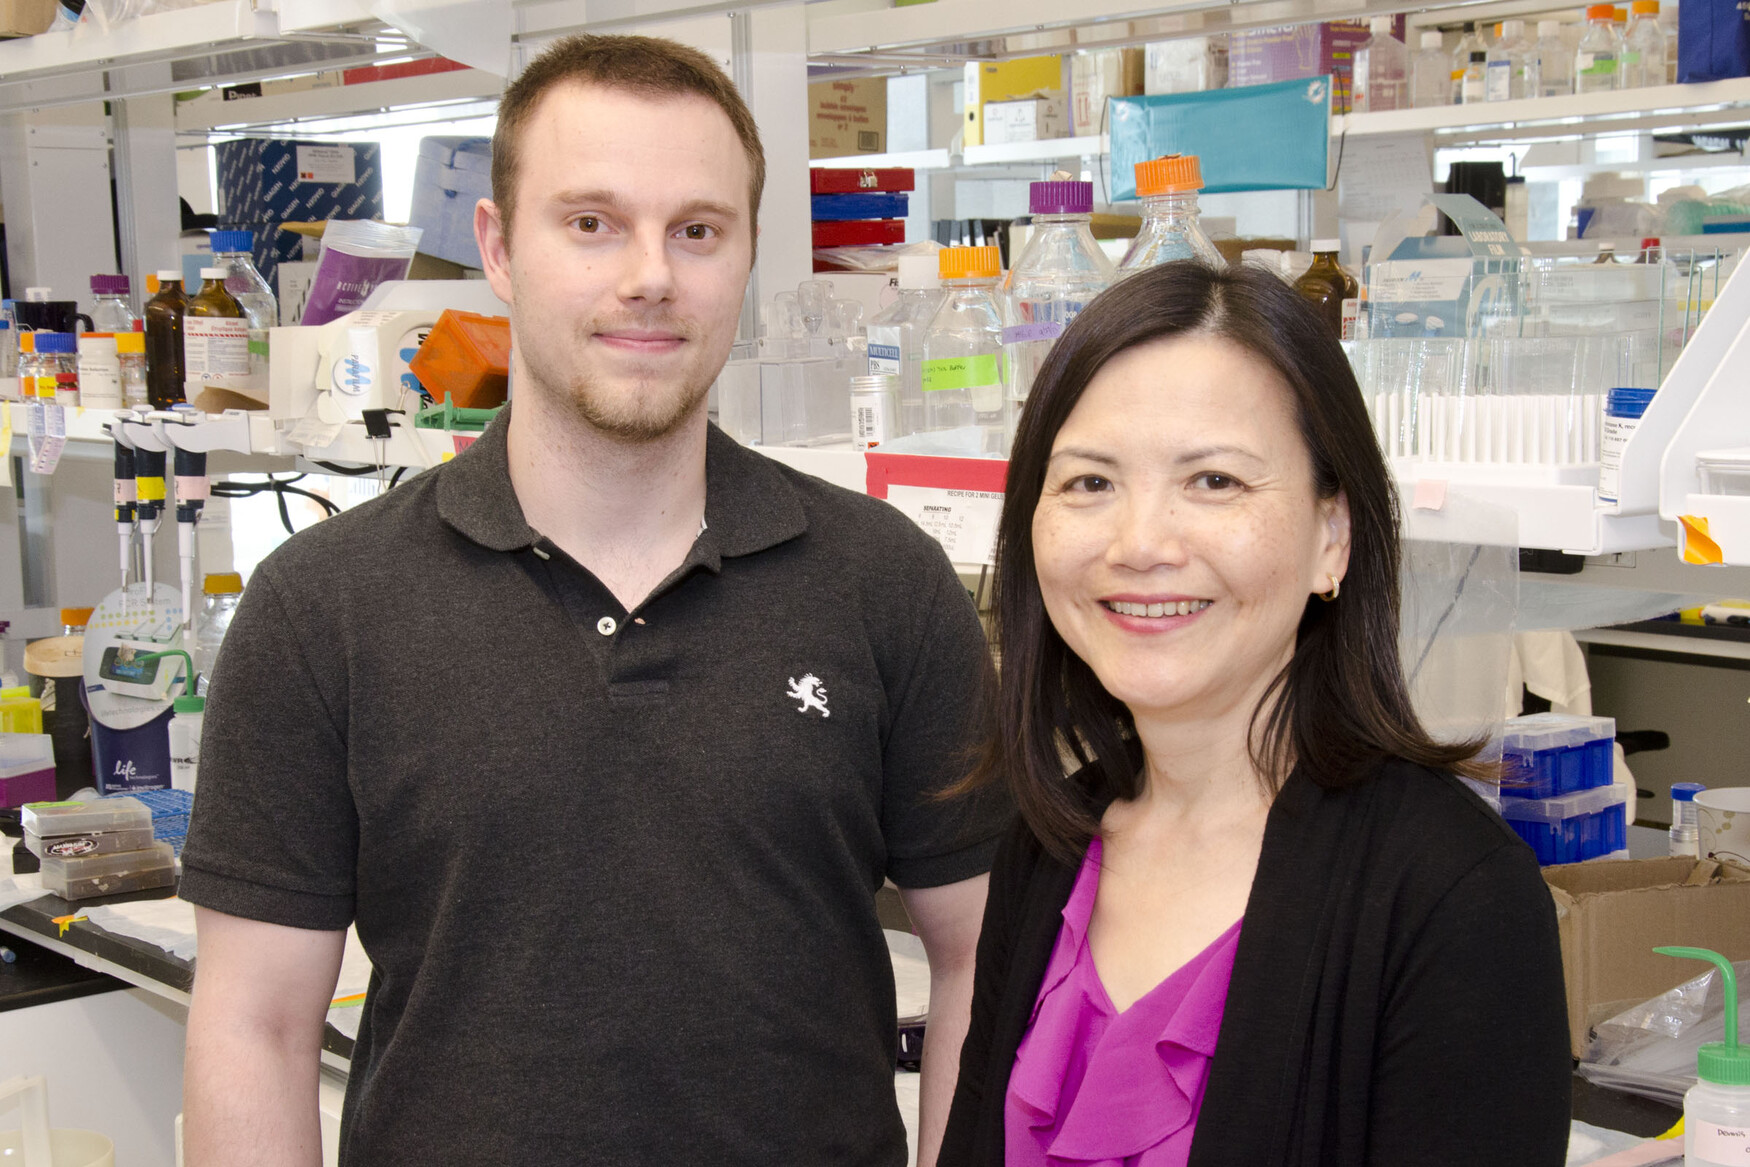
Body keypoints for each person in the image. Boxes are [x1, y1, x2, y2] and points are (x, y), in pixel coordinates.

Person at [180, 34, 1006, 1167]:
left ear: (748, 251)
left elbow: (980, 964)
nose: (650, 277)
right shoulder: (324, 609)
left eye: (697, 231)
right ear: (499, 247)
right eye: (591, 224)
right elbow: (255, 1026)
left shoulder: (884, 583)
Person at [938, 262, 1572, 1167]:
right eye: (1088, 483)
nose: (1141, 543)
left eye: (1215, 482)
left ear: (1333, 536)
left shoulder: (1452, 896)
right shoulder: (1049, 845)